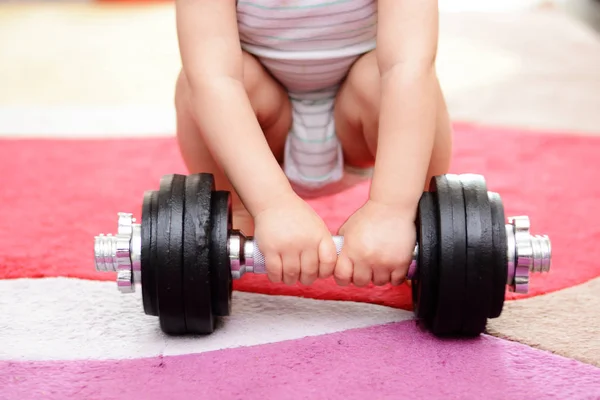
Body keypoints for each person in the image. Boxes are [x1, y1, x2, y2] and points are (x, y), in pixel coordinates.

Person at [174, 0, 452, 289]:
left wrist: (391, 210)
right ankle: (238, 210)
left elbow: (407, 67)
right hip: (260, 127)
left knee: (407, 75)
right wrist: (273, 206)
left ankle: (420, 214)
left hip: (360, 120)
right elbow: (214, 78)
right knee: (198, 79)